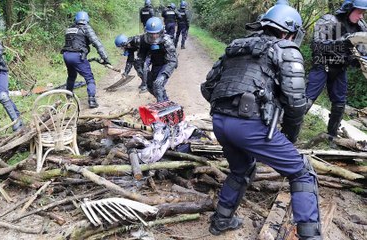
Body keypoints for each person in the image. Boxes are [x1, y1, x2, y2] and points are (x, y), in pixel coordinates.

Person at [200, 1, 322, 239]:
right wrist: (289, 137)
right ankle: (311, 236)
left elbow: (208, 88)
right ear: (289, 30)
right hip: (248, 126)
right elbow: (296, 104)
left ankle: (221, 221)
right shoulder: (286, 50)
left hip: (220, 122)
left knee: (241, 169)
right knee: (302, 172)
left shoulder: (236, 46)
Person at [306, 0, 367, 139]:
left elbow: (363, 53)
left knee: (339, 105)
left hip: (340, 69)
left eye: (363, 13)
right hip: (322, 65)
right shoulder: (329, 20)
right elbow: (317, 46)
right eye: (359, 12)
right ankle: (288, 133)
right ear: (349, 9)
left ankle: (331, 137)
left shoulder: (361, 27)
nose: (361, 17)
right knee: (306, 100)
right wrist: (343, 42)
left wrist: (360, 62)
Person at [61, 11, 110, 108]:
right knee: (89, 78)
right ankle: (92, 100)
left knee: (71, 76)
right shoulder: (86, 27)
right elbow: (97, 43)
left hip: (66, 55)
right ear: (87, 19)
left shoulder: (70, 28)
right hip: (77, 56)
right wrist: (105, 58)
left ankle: (69, 98)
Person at [138, 17, 178, 102]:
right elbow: (142, 56)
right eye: (151, 34)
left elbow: (172, 61)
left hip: (166, 63)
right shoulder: (144, 40)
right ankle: (166, 102)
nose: (154, 36)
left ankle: (161, 106)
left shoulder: (167, 41)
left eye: (156, 33)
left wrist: (163, 76)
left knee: (158, 84)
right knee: (151, 87)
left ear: (161, 32)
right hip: (155, 64)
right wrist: (144, 68)